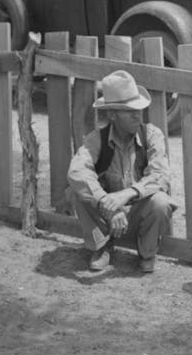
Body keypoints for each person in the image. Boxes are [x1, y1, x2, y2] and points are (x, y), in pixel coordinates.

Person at [67, 70, 174, 273]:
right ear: (112, 114)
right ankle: (102, 246)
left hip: (138, 213)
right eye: (129, 111)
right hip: (107, 215)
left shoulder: (151, 134)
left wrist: (126, 195)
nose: (137, 115)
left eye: (139, 109)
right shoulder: (97, 139)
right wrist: (106, 203)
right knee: (76, 191)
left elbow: (161, 176)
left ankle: (147, 251)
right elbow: (77, 171)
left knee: (161, 201)